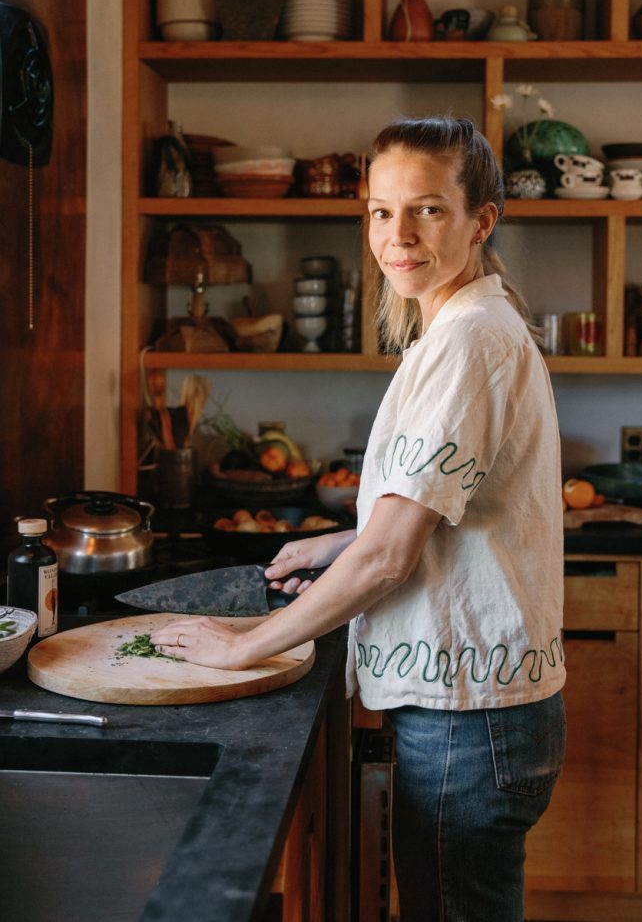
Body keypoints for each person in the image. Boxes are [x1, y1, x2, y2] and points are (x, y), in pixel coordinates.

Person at [153, 116, 566, 922]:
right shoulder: (463, 328)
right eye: (380, 211)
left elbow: (389, 560)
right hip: (482, 713)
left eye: (427, 210)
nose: (396, 234)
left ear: (482, 218)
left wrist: (244, 644)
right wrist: (346, 537)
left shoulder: (469, 341)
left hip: (467, 719)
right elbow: (455, 509)